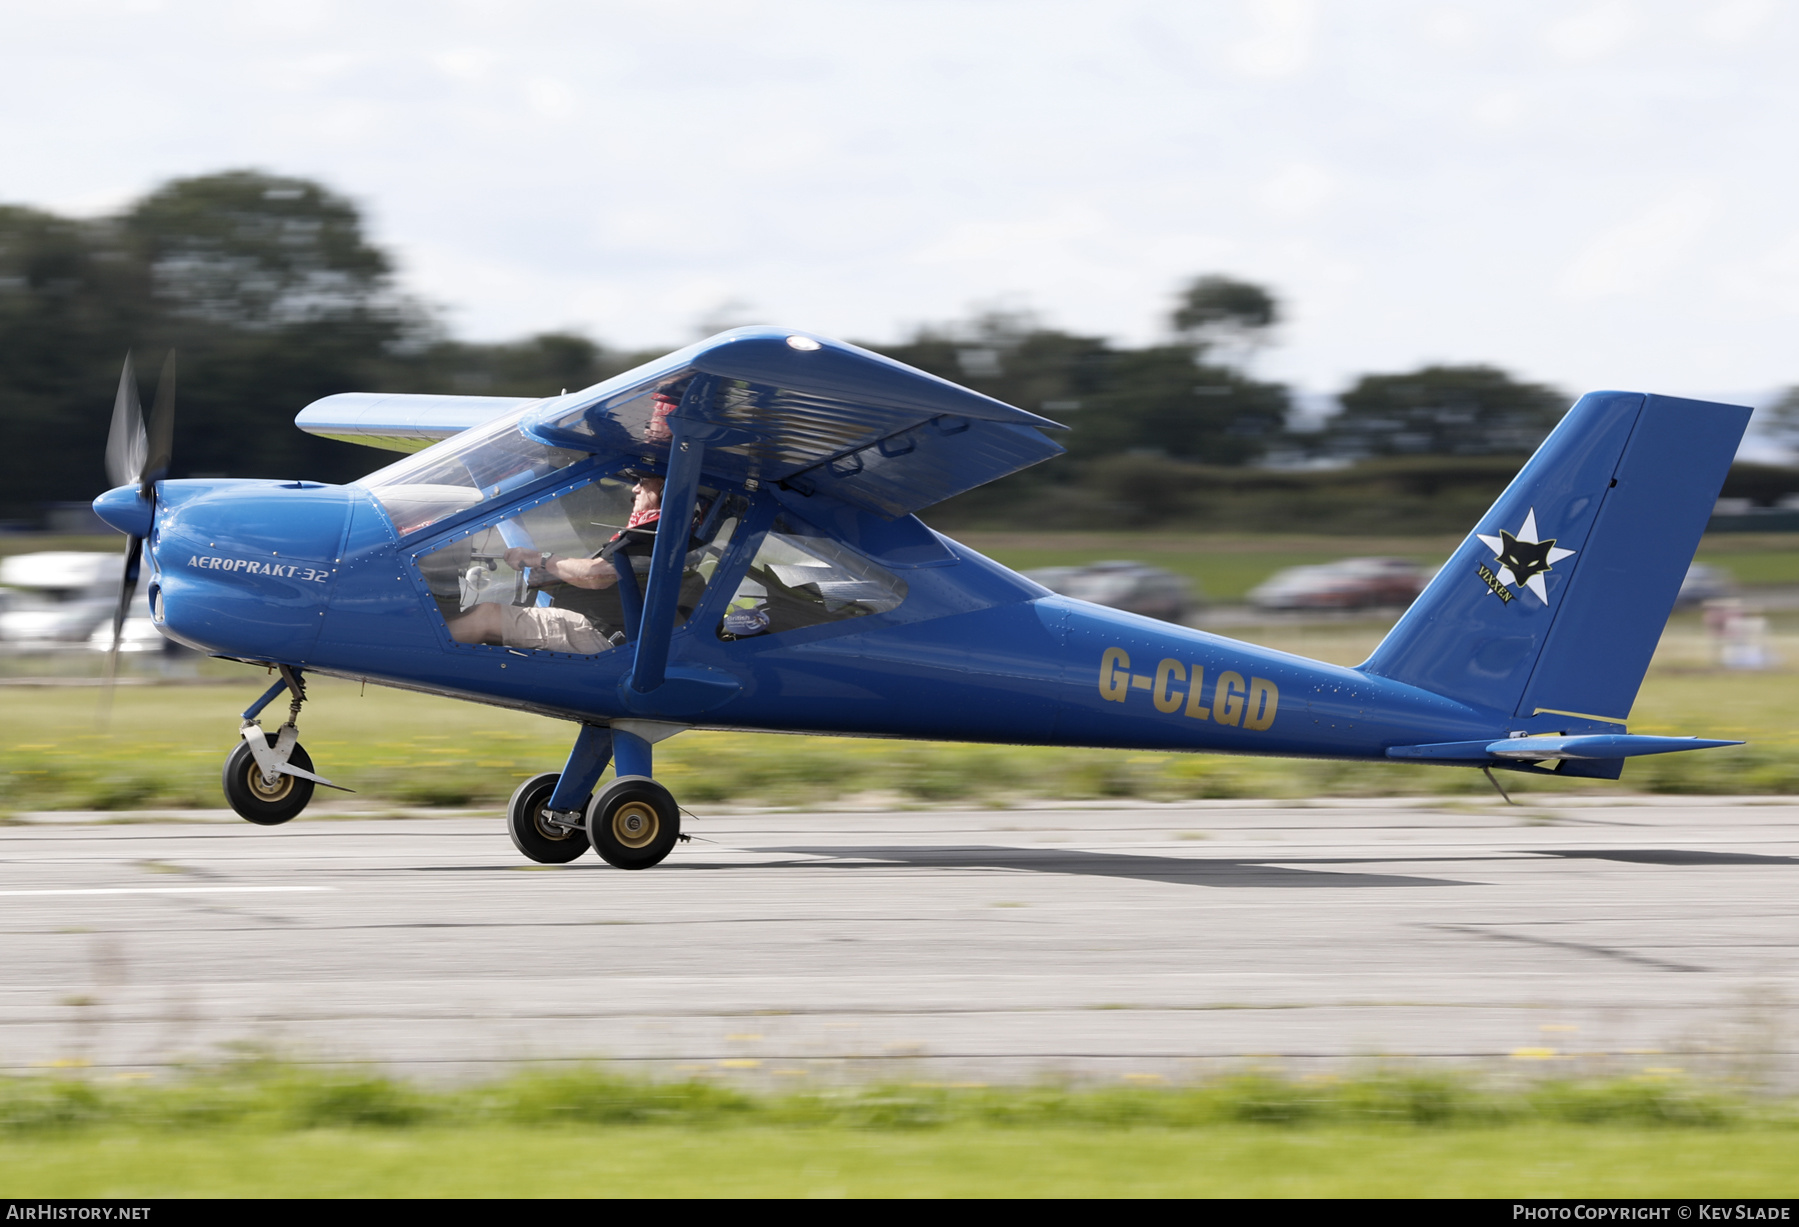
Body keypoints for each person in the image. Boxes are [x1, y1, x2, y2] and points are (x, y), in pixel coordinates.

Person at [448, 475, 664, 653]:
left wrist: (540, 558)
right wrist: (554, 582)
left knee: (486, 617)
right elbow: (618, 584)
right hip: (593, 627)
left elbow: (596, 576)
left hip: (599, 633)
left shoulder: (654, 537)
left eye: (644, 481)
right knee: (477, 613)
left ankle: (417, 645)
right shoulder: (645, 535)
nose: (635, 489)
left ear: (665, 489)